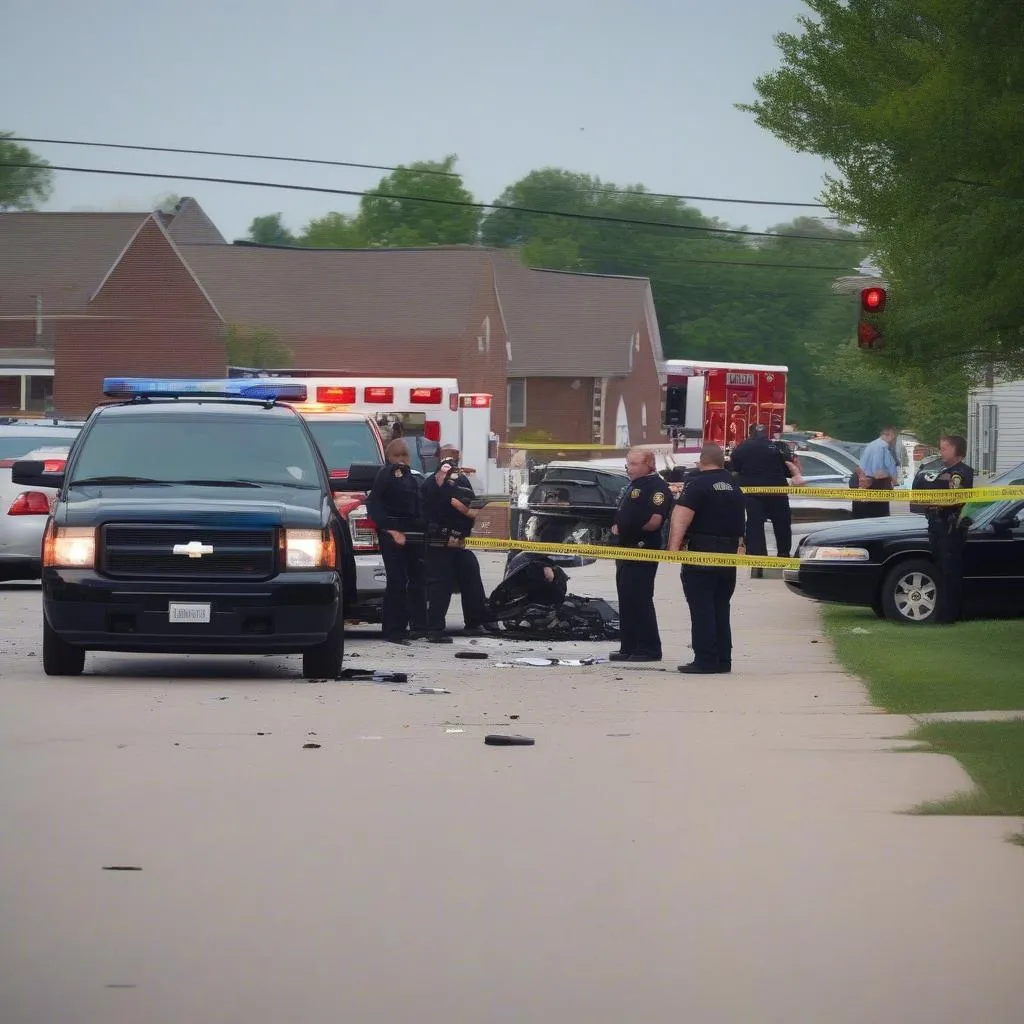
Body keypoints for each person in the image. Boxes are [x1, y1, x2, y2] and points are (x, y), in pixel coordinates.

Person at [668, 443, 746, 674]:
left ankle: (705, 659)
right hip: (727, 553)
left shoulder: (697, 484)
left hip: (701, 552)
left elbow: (681, 516)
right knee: (721, 606)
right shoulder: (734, 484)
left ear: (701, 460)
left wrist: (673, 548)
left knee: (701, 607)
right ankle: (723, 659)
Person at [609, 449, 673, 663]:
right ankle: (629, 646)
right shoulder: (634, 485)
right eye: (628, 464)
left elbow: (655, 521)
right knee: (626, 599)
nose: (630, 468)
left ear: (649, 465)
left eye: (635, 464)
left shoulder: (657, 487)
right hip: (625, 549)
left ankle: (649, 648)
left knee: (640, 599)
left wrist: (627, 530)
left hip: (642, 548)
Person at [420, 445, 488, 642]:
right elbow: (425, 512)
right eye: (446, 456)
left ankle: (475, 622)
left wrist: (461, 535)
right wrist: (442, 534)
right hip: (436, 543)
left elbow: (471, 509)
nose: (450, 461)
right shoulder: (431, 484)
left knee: (470, 569)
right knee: (441, 582)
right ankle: (434, 629)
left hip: (457, 542)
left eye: (453, 457)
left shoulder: (462, 481)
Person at [366, 438, 427, 645]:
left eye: (404, 455)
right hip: (392, 535)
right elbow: (373, 504)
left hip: (414, 536)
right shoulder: (386, 474)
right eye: (396, 455)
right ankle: (394, 630)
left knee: (417, 581)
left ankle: (418, 626)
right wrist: (391, 530)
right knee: (397, 582)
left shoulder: (414, 478)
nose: (401, 459)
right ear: (388, 457)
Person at [912, 434, 974, 624]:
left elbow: (954, 498)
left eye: (945, 448)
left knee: (949, 573)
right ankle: (944, 611)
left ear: (957, 451)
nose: (941, 452)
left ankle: (949, 615)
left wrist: (934, 500)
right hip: (936, 525)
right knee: (939, 570)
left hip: (950, 528)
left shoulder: (961, 472)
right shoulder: (942, 470)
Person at [728, 424, 796, 569]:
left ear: (750, 433)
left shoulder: (742, 448)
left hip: (752, 493)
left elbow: (735, 468)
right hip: (777, 492)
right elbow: (788, 470)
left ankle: (758, 559)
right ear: (766, 434)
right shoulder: (776, 447)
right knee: (782, 523)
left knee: (754, 525)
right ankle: (783, 555)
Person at [852, 425, 900, 518]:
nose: (894, 440)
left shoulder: (873, 445)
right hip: (877, 488)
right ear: (889, 434)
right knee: (879, 519)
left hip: (871, 487)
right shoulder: (881, 447)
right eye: (894, 437)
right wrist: (893, 477)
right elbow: (878, 473)